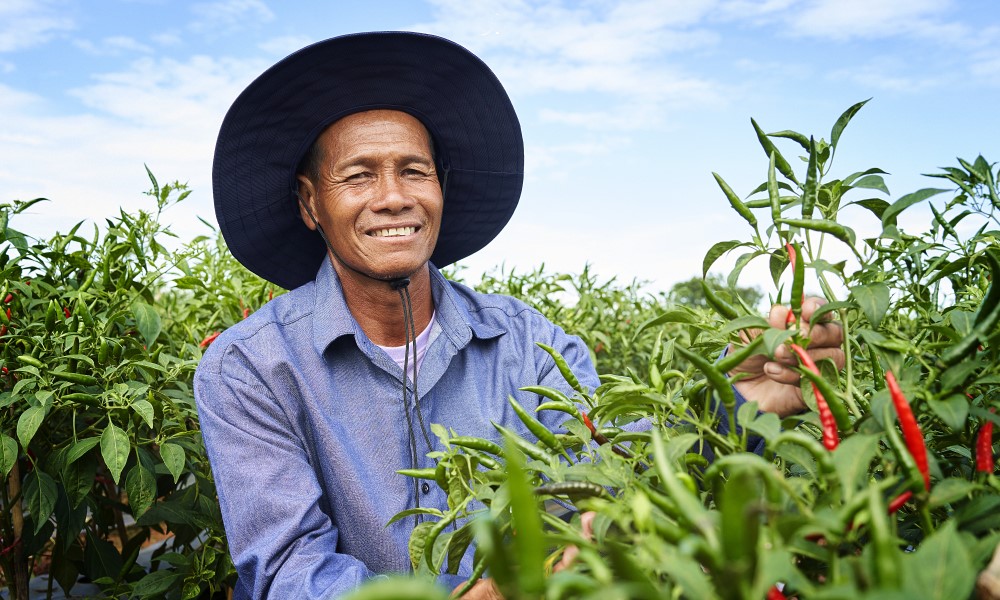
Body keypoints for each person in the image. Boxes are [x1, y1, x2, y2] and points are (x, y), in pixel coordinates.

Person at [194, 31, 844, 600]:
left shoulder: (528, 343)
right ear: (311, 204)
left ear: (439, 189)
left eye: (414, 170)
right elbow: (289, 575)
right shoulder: (250, 367)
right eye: (359, 176)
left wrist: (731, 401)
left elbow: (605, 467)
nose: (393, 197)